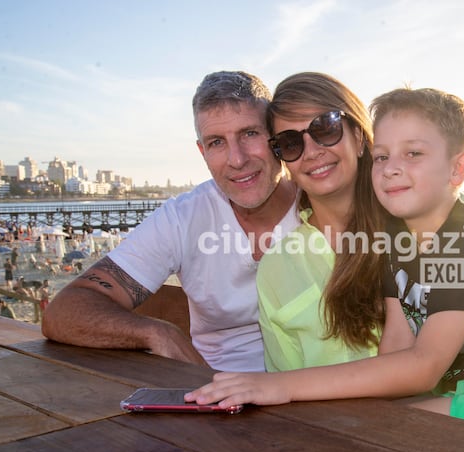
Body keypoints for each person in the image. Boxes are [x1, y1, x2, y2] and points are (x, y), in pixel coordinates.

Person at [188, 79, 464, 450]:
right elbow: (398, 346)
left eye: (326, 128)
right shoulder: (395, 237)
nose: (312, 150)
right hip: (458, 400)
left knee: (390, 439)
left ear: (358, 137)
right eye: (292, 142)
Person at [42, 71, 299, 371]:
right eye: (217, 142)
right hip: (217, 390)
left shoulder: (319, 203)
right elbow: (64, 311)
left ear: (276, 137)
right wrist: (158, 332)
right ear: (202, 152)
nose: (237, 159)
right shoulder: (183, 218)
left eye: (250, 133)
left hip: (320, 392)